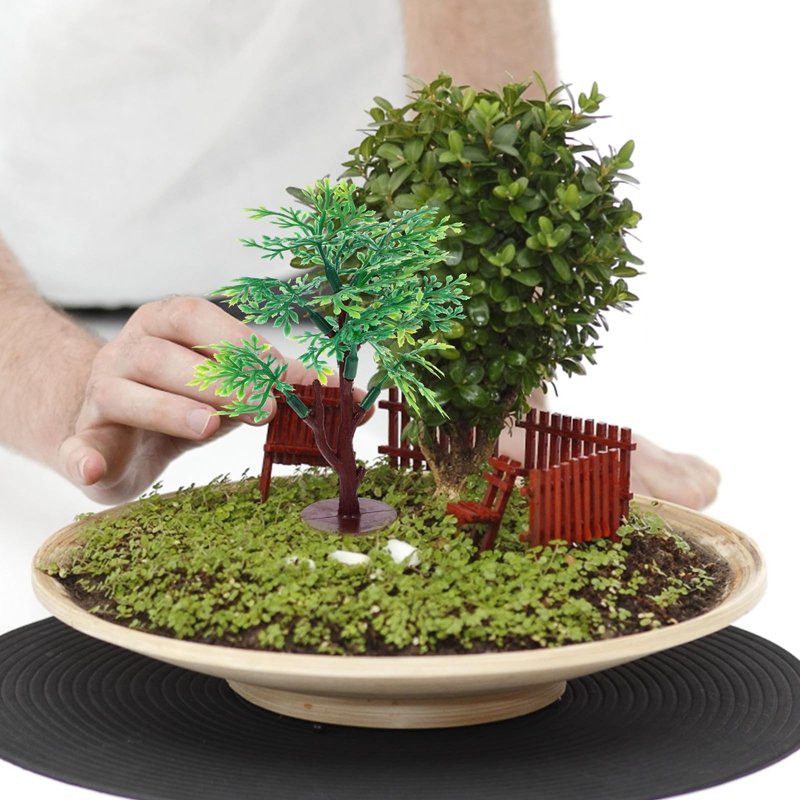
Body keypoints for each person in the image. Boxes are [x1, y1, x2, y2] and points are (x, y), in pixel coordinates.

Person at [0, 0, 719, 509]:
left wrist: (496, 394)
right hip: (42, 297)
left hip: (359, 308)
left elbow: (482, 129)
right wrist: (65, 386)